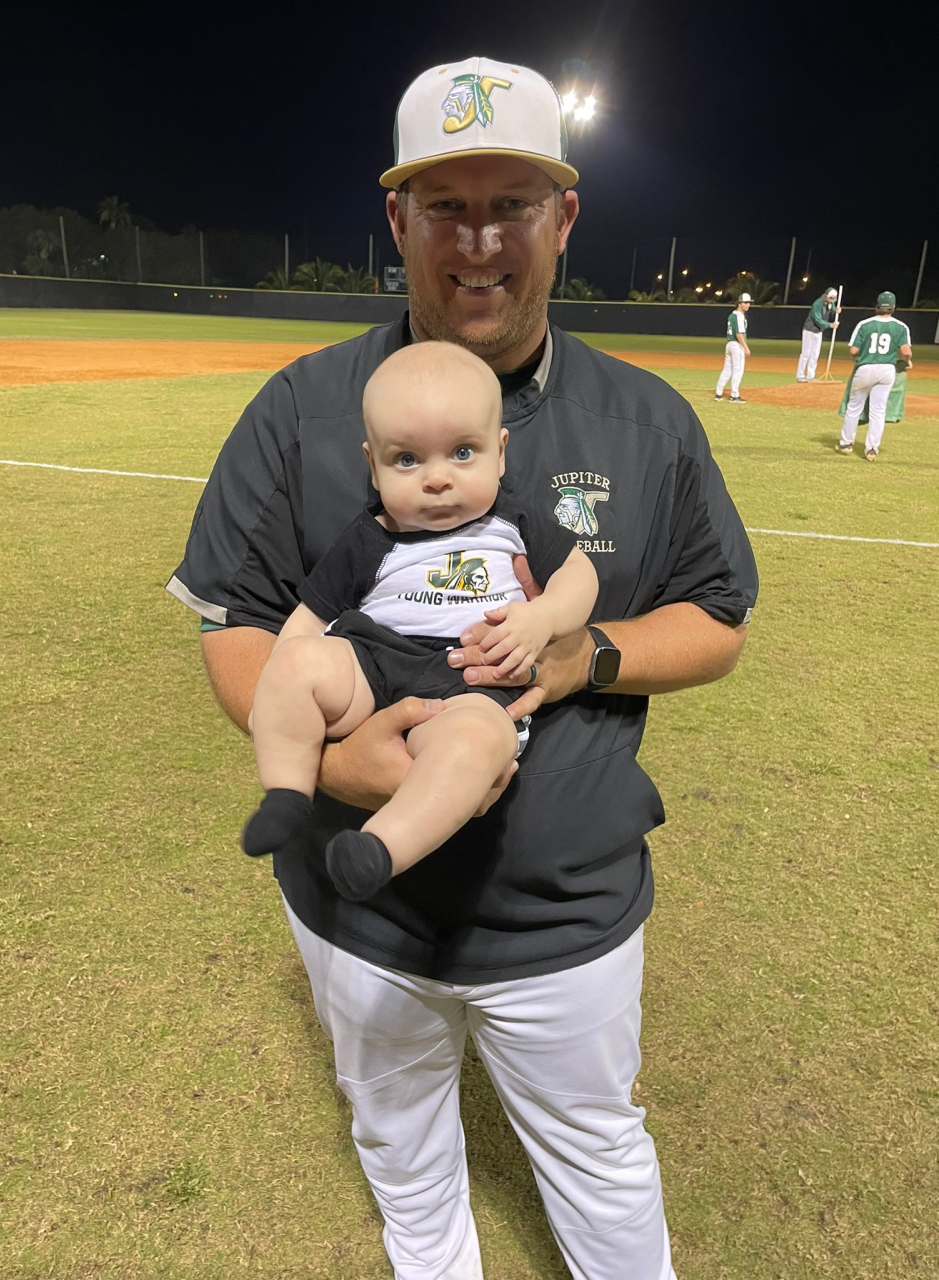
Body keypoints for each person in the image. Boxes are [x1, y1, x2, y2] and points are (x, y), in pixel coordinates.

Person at [167, 54, 758, 1280]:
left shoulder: (646, 421)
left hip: (566, 919)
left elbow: (719, 617)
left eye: (512, 204)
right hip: (354, 904)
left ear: (565, 217)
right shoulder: (302, 407)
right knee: (402, 1151)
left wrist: (585, 652)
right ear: (398, 220)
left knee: (598, 1153)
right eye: (446, 205)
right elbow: (237, 621)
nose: (478, 241)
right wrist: (337, 765)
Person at [242, 341, 598, 901]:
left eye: (462, 452)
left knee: (479, 743)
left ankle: (379, 849)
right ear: (373, 465)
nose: (437, 479)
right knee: (294, 662)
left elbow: (581, 577)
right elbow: (309, 617)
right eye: (407, 460)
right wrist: (284, 683)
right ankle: (286, 796)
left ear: (500, 453)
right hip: (371, 662)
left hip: (469, 684)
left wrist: (544, 616)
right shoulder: (370, 535)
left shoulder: (514, 521)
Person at [836, 291, 913, 461]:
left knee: (854, 407)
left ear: (877, 306)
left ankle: (846, 443)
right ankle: (871, 449)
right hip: (887, 370)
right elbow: (906, 351)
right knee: (878, 411)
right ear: (893, 307)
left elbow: (853, 350)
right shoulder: (901, 326)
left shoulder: (865, 324)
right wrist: (907, 361)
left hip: (865, 368)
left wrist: (857, 358)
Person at [796, 287, 841, 382]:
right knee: (806, 353)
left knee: (815, 354)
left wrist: (836, 311)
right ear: (826, 296)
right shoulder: (817, 304)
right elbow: (817, 319)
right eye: (830, 299)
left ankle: (810, 376)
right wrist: (830, 325)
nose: (831, 301)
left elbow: (832, 312)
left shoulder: (831, 303)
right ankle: (800, 375)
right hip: (809, 330)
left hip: (819, 332)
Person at [714, 292, 752, 403]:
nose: (748, 305)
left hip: (729, 344)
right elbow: (739, 334)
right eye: (745, 303)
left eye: (749, 303)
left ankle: (718, 393)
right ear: (739, 303)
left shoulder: (732, 315)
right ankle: (734, 395)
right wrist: (746, 348)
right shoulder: (739, 316)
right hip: (736, 345)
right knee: (738, 370)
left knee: (727, 369)